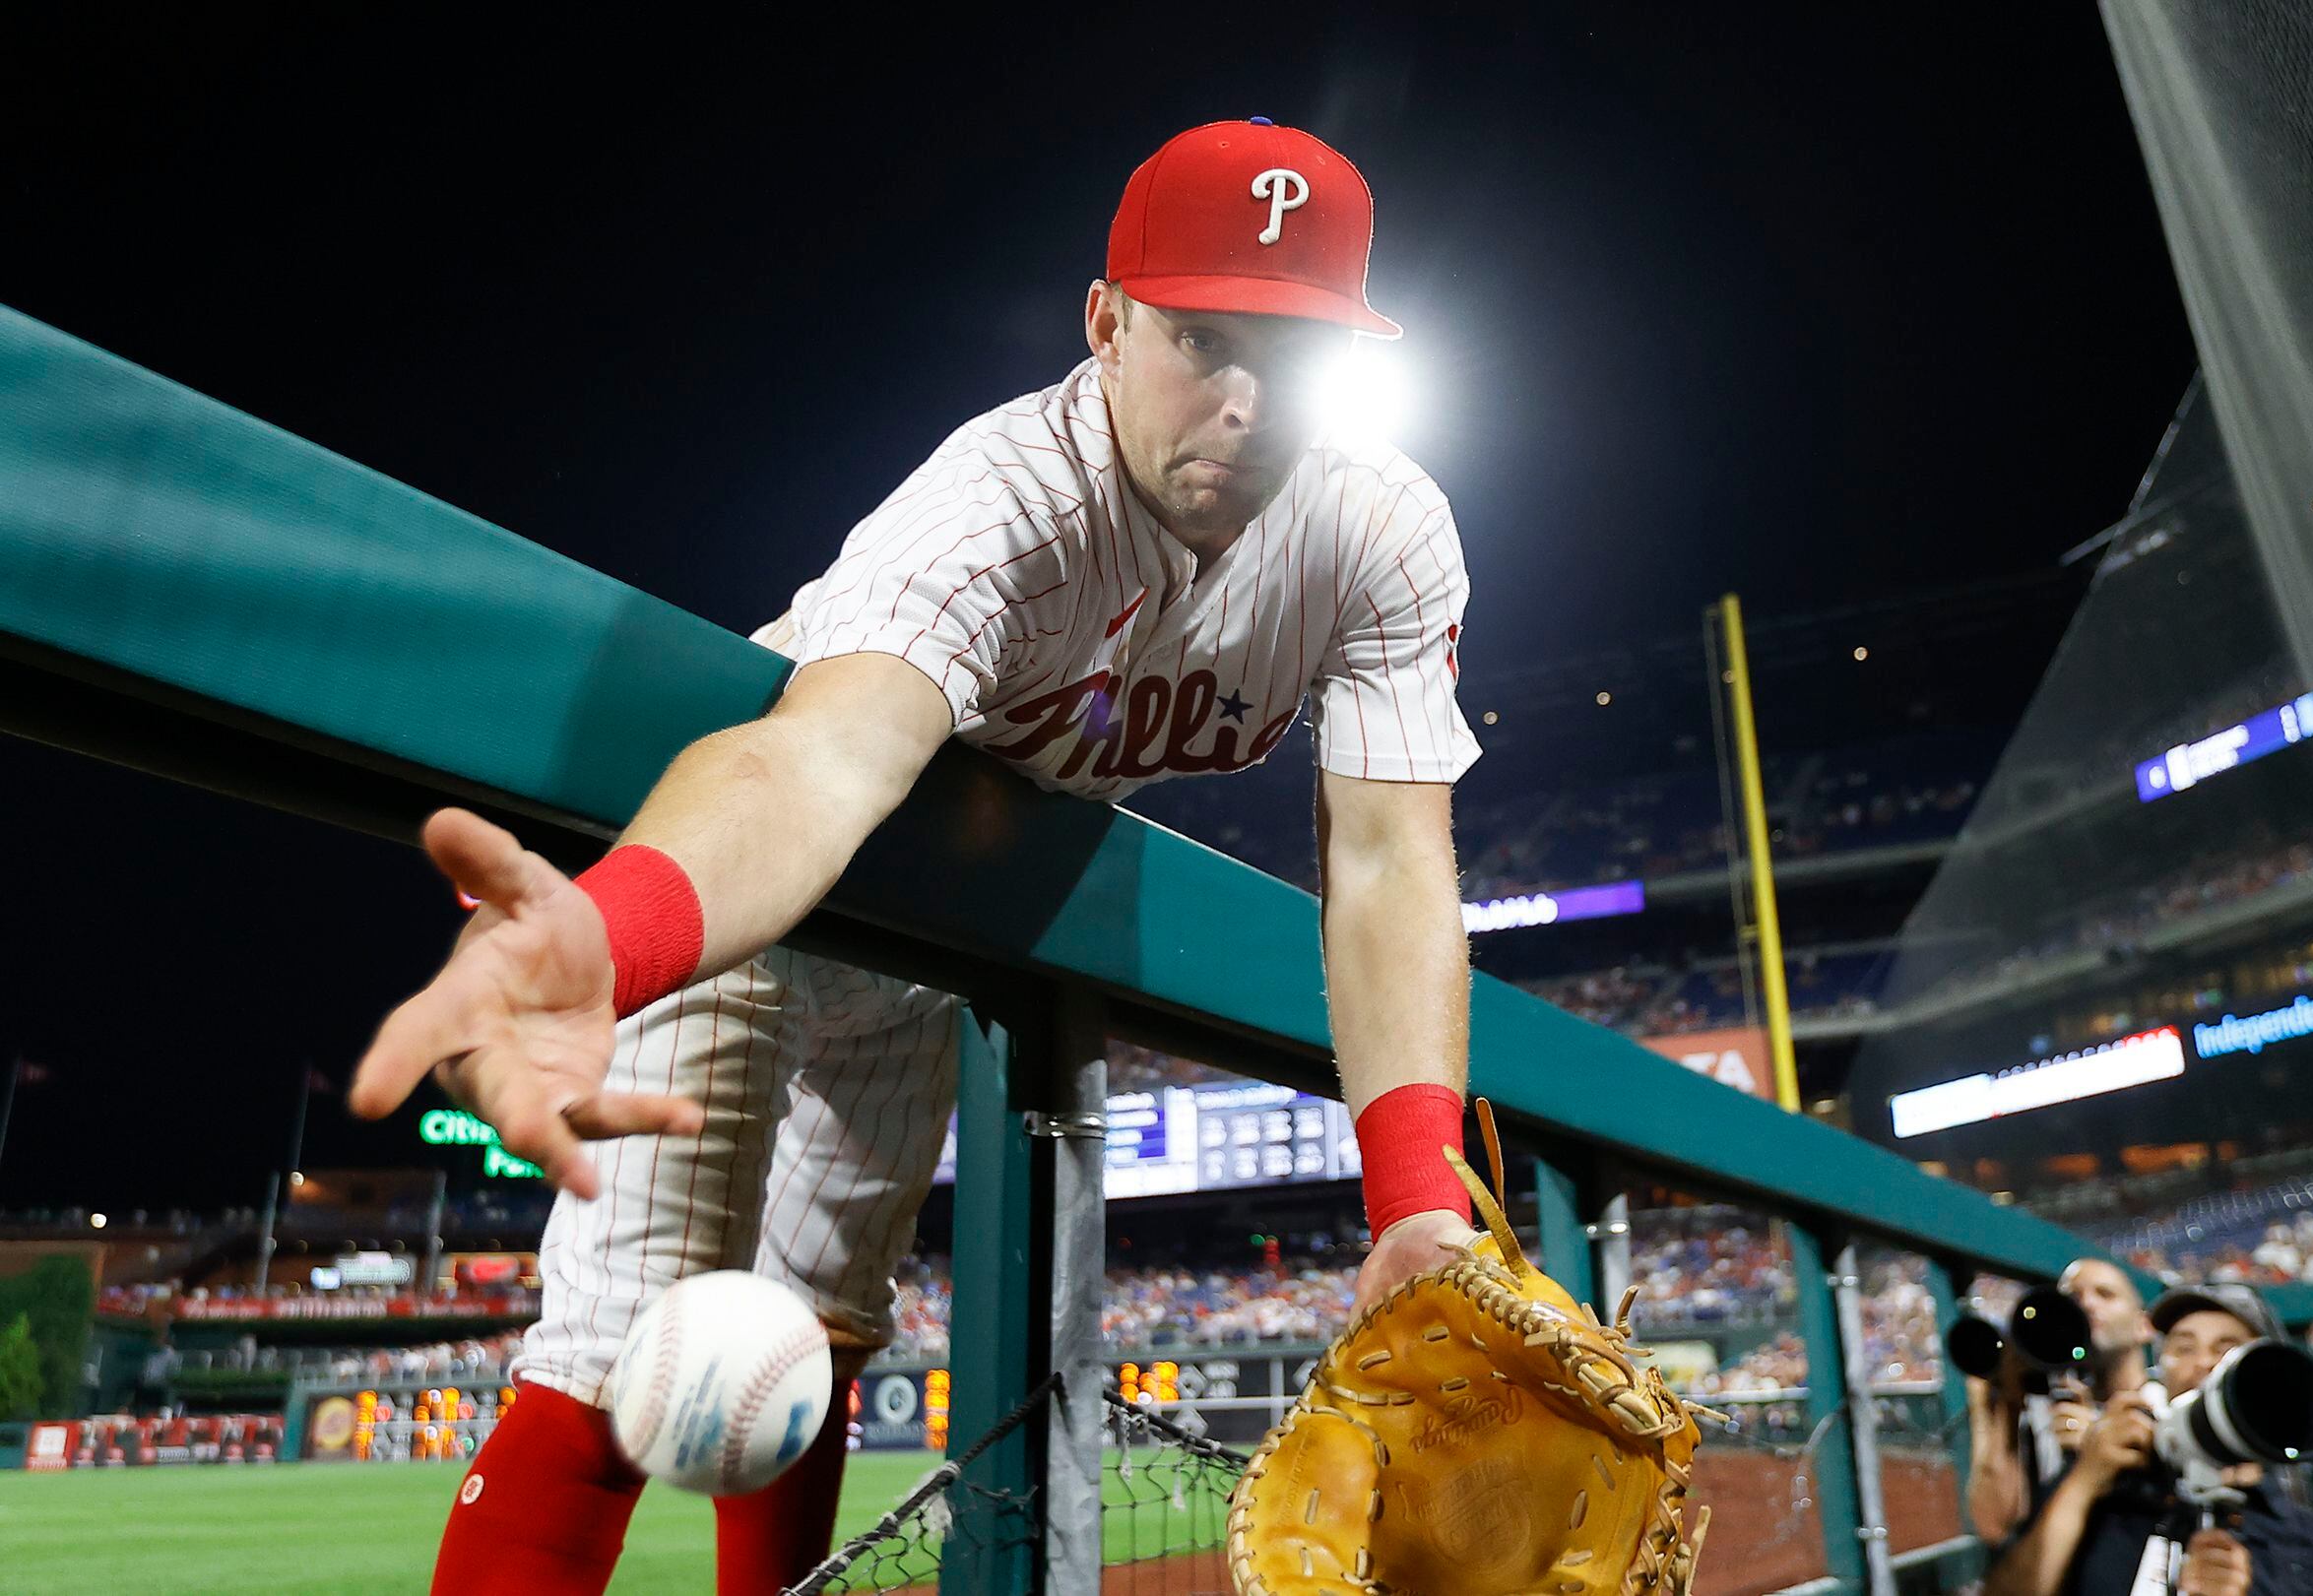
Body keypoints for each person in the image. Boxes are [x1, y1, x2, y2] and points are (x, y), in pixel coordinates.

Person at [348, 118, 1484, 1596]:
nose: (1248, 402)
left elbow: (1392, 860)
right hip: (742, 902)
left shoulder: (1377, 525)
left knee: (812, 1340)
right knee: (634, 1355)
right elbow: (817, 761)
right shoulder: (1000, 499)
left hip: (926, 953)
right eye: (1202, 338)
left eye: (1297, 351)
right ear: (1107, 321)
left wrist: (1412, 1196)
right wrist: (607, 938)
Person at [1984, 1284, 2313, 1596]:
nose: (2203, 1362)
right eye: (2183, 1347)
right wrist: (2083, 1482)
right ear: (2160, 1369)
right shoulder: (2101, 1488)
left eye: (2226, 1348)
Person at [1970, 1255, 2158, 1542]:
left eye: (2105, 1294)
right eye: (2073, 1297)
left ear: (2143, 1326)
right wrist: (2006, 1405)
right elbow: (1994, 1527)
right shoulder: (2045, 1415)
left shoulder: (2169, 1406)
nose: (2087, 1305)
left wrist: (2096, 1454)